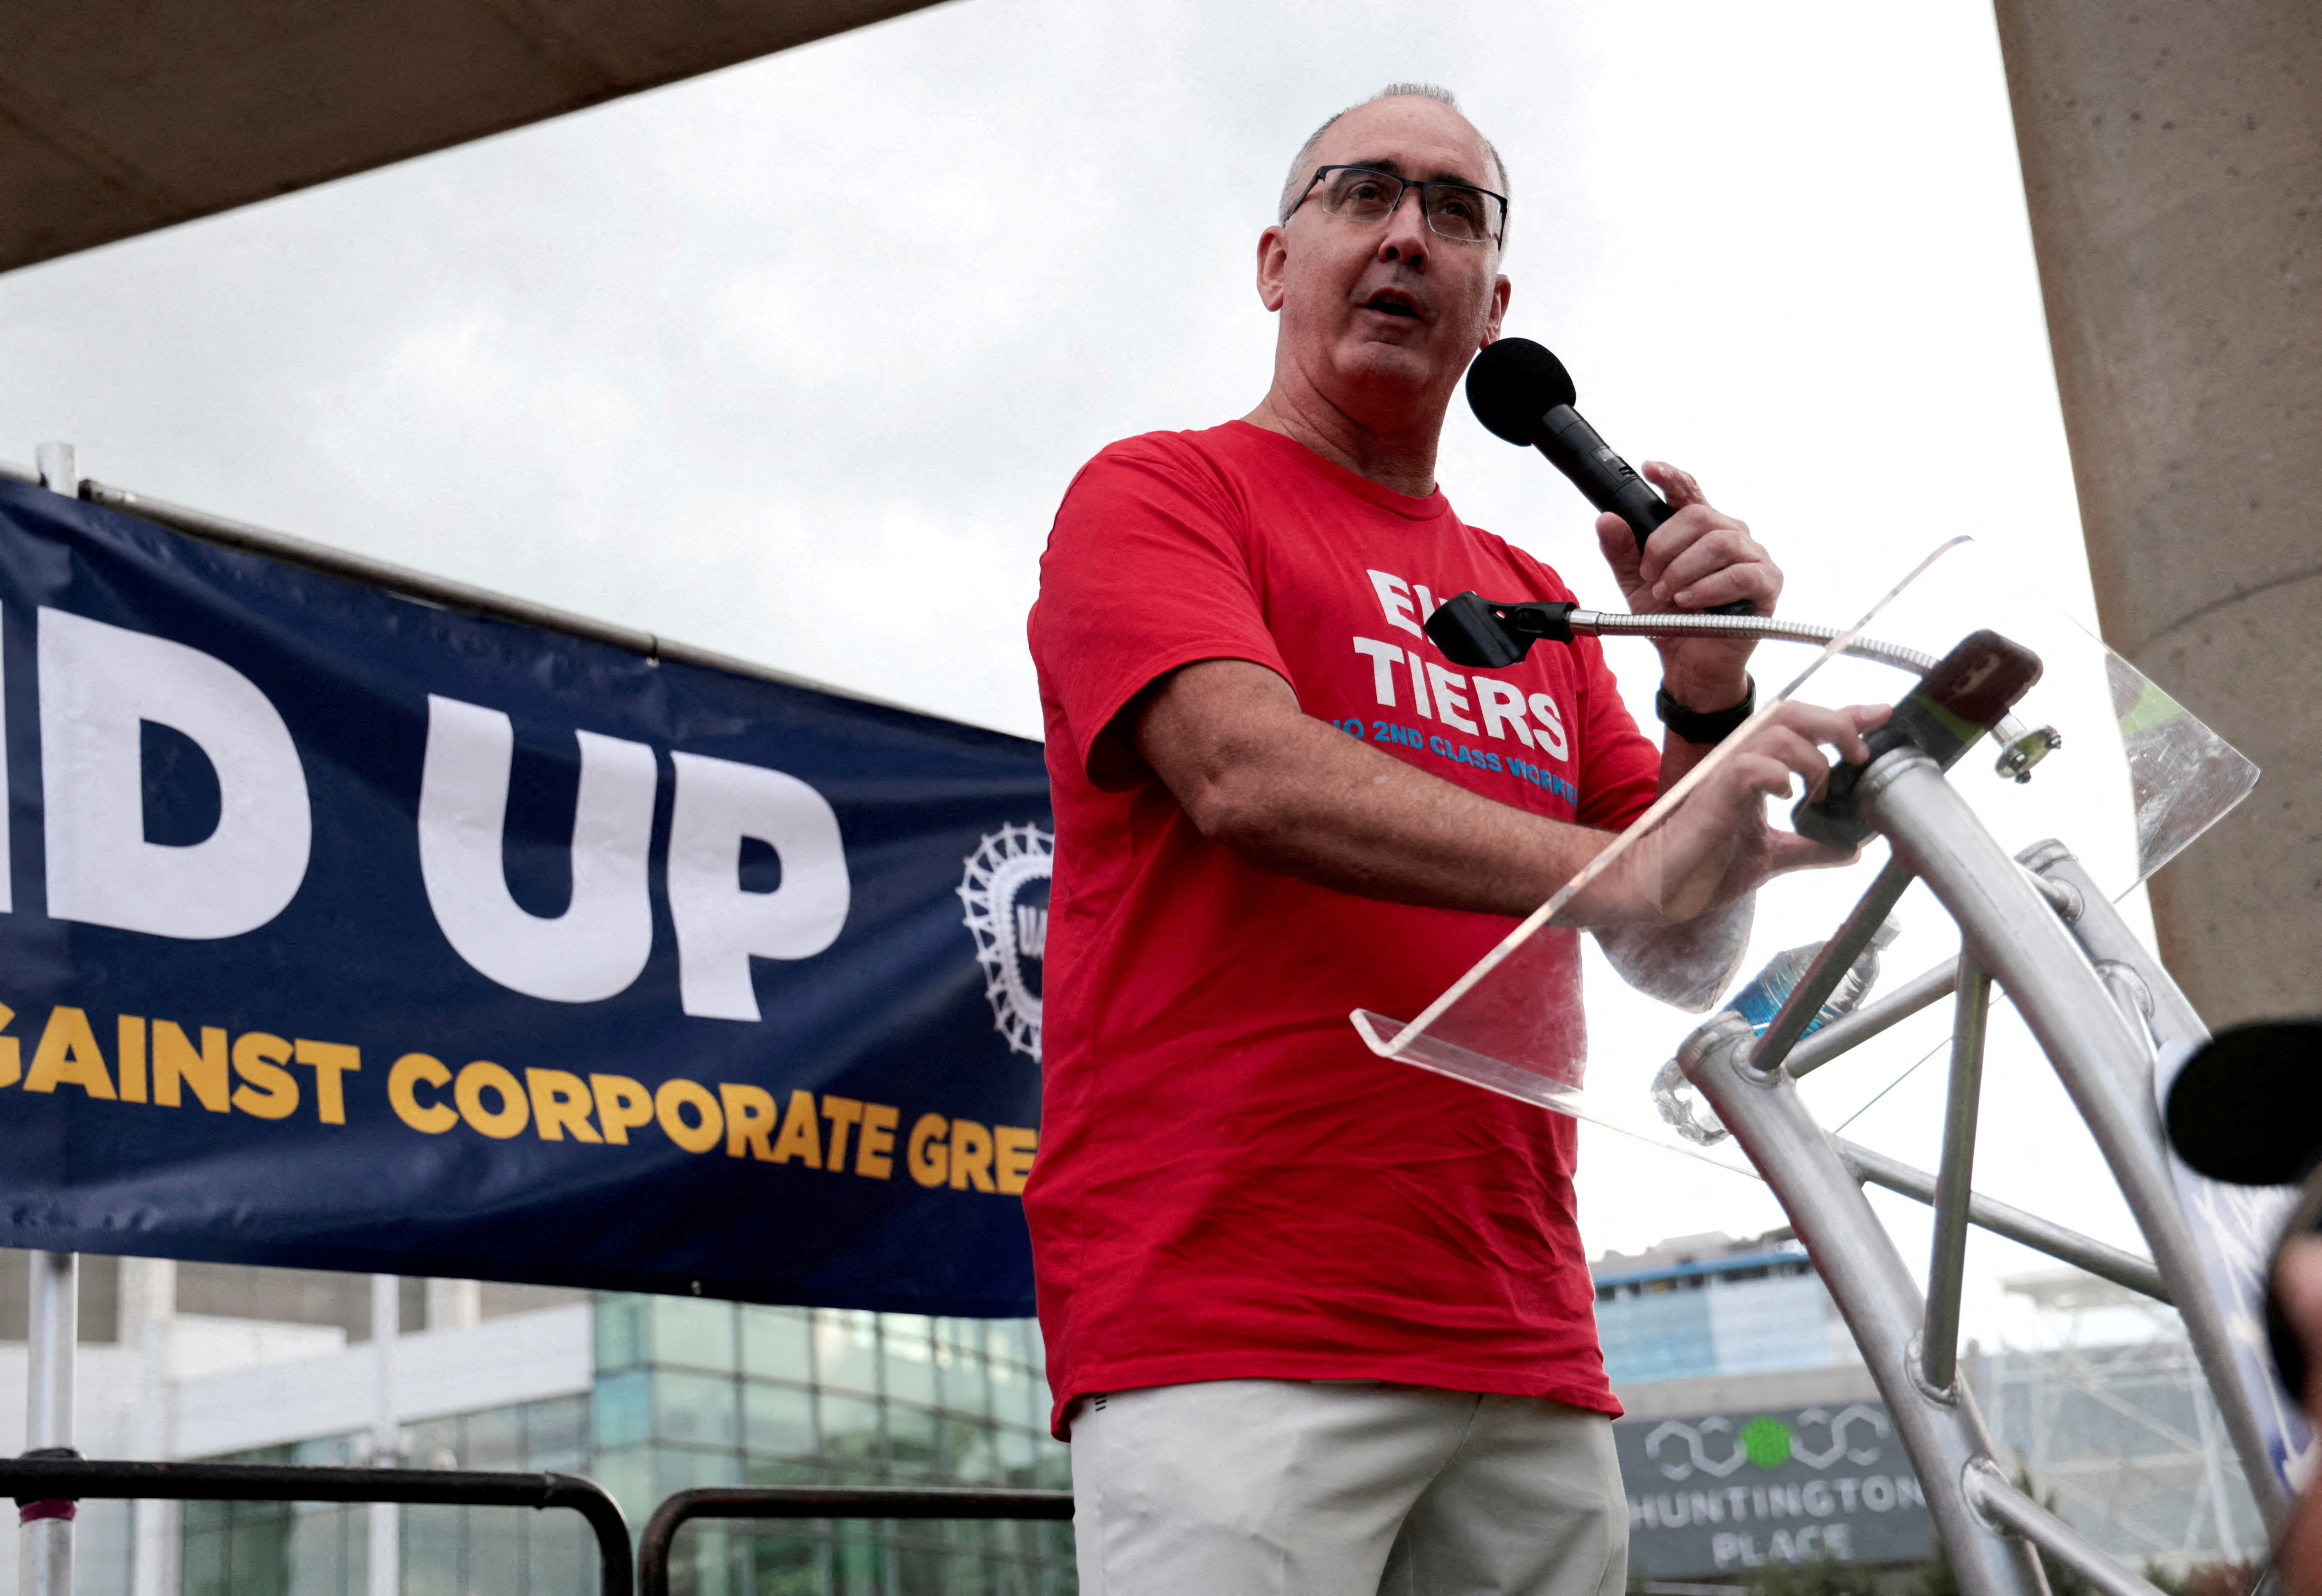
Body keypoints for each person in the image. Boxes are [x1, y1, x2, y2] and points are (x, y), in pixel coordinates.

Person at [1024, 83, 1882, 1595]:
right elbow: (1243, 774)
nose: (1406, 234)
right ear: (1275, 259)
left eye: (1455, 212)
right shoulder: (1161, 493)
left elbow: (1673, 949)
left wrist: (1703, 691)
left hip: (1523, 1333)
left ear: (1496, 305)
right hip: (1233, 1323)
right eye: (1362, 194)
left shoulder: (1534, 594)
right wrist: (1630, 864)